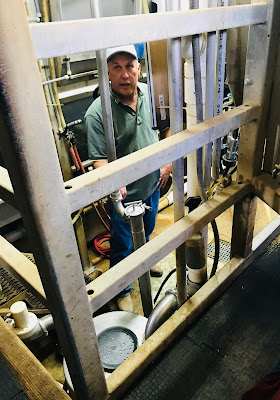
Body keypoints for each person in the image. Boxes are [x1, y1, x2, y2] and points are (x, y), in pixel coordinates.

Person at [85, 44, 171, 312]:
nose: (125, 75)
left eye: (129, 66)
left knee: (148, 227)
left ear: (139, 68)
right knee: (122, 243)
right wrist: (114, 182)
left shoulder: (152, 94)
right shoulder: (97, 113)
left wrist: (167, 161)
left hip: (153, 184)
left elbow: (168, 130)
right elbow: (99, 159)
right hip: (124, 195)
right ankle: (122, 288)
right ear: (107, 73)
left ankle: (144, 260)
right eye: (117, 68)